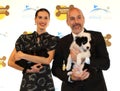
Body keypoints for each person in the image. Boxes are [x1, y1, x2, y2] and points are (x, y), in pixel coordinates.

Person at [52, 7, 110, 91]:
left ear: (83, 19)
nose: (76, 22)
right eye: (72, 19)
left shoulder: (97, 36)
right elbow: (55, 69)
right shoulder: (62, 42)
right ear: (67, 22)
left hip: (95, 88)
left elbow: (105, 63)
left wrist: (85, 59)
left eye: (79, 17)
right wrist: (70, 77)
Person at [8, 8, 59, 91]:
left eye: (46, 18)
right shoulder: (24, 39)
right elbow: (11, 62)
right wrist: (27, 69)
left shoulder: (53, 39)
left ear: (49, 21)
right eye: (40, 17)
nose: (43, 20)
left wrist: (23, 55)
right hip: (28, 83)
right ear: (35, 20)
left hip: (46, 83)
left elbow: (47, 60)